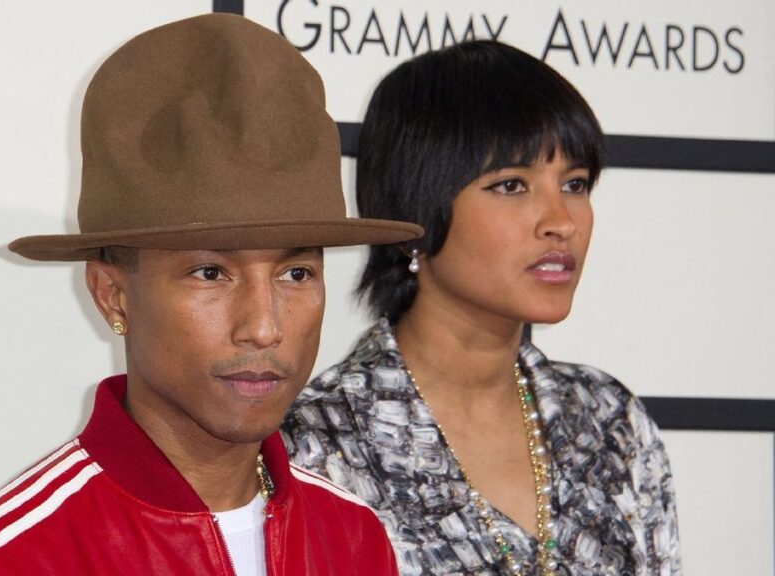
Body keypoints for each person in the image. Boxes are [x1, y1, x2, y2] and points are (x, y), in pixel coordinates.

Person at [0, 13, 422, 576]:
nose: (265, 327)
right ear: (113, 296)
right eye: (211, 273)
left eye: (296, 274)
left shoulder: (353, 537)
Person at [282, 41, 681, 576]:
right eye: (512, 185)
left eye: (575, 183)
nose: (560, 220)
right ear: (412, 213)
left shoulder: (607, 420)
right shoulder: (317, 445)